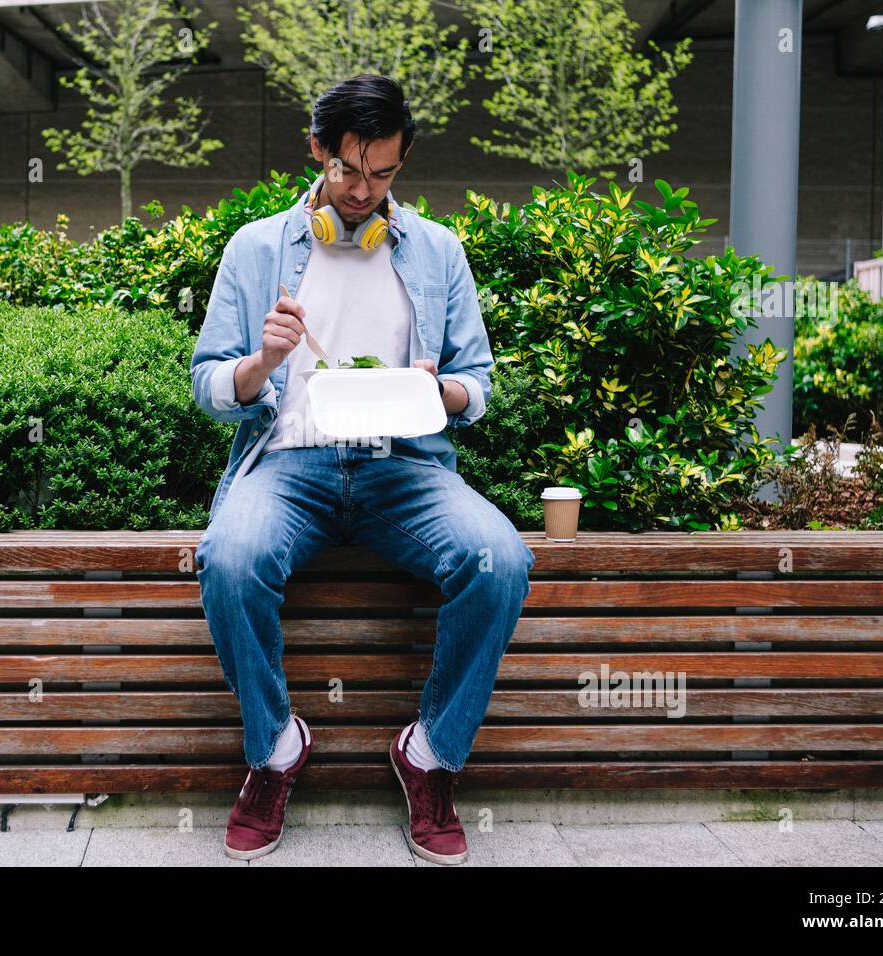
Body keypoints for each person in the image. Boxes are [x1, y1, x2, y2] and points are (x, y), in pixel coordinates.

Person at [190, 74, 535, 865]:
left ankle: (430, 756)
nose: (361, 191)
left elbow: (477, 385)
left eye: (382, 174)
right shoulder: (255, 249)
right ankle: (275, 750)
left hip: (403, 468)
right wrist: (261, 360)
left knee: (501, 558)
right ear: (316, 150)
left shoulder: (438, 251)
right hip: (289, 464)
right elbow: (208, 387)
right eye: (348, 170)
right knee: (230, 557)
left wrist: (438, 388)